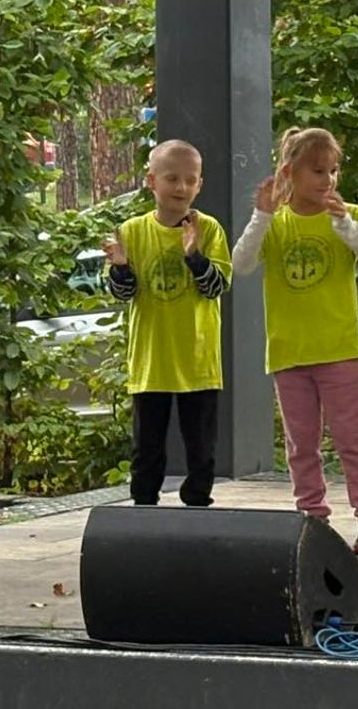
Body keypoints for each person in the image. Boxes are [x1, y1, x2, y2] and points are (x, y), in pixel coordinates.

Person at [230, 127, 358, 554]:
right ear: (290, 173)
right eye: (318, 171)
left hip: (339, 349)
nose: (328, 179)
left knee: (352, 436)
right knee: (301, 443)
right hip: (289, 353)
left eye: (333, 170)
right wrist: (261, 215)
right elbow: (239, 264)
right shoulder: (276, 222)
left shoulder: (349, 215)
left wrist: (345, 225)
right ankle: (312, 517)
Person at [105, 139, 231, 510]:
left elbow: (216, 287)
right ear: (151, 181)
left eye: (190, 180)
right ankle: (144, 506)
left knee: (201, 447)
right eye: (172, 178)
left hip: (198, 360)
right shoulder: (131, 231)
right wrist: (121, 266)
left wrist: (194, 255)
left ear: (200, 185)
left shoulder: (209, 229)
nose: (181, 187)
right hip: (151, 360)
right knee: (147, 446)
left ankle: (198, 504)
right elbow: (123, 293)